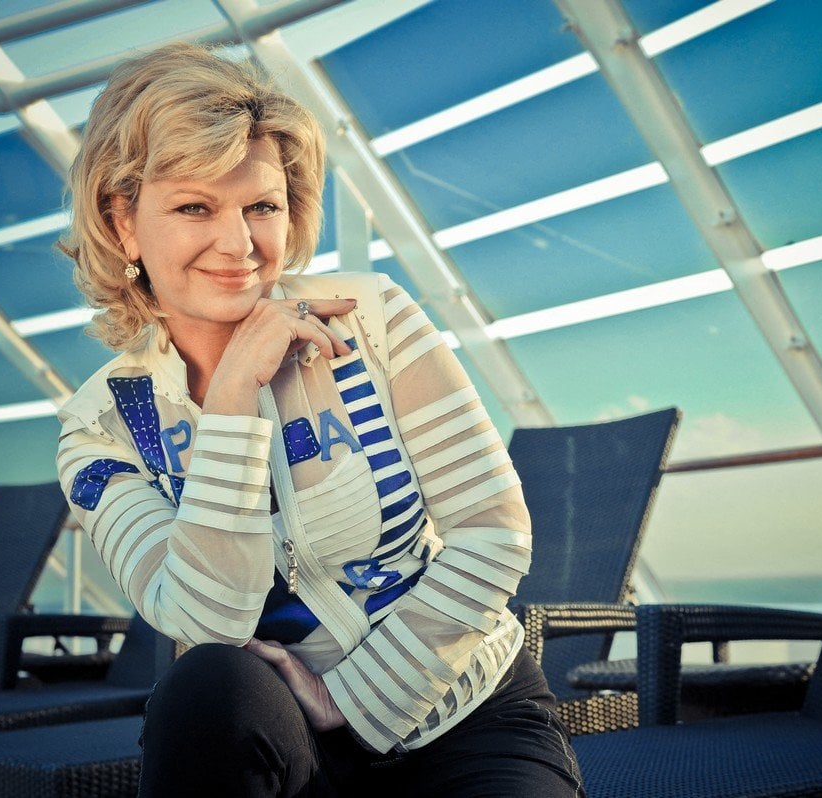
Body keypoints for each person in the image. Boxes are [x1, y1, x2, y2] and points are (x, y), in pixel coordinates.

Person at [56, 42, 584, 797]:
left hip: (467, 719)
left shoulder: (371, 320)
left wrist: (351, 700)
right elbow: (207, 626)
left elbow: (493, 534)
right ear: (123, 223)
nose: (239, 244)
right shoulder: (102, 427)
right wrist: (232, 401)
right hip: (275, 739)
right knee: (204, 686)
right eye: (194, 207)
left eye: (262, 207)